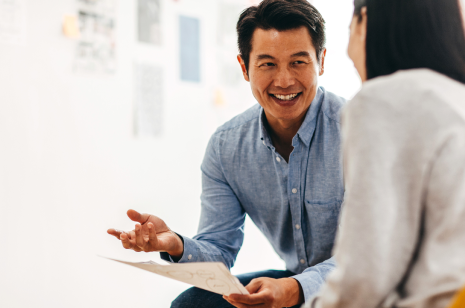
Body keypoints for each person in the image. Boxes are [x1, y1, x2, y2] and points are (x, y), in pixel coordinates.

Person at [227, 0, 465, 307]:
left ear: (365, 21)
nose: (284, 80)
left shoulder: (379, 103)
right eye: (268, 64)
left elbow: (364, 275)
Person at [108, 0, 346, 307]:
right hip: (293, 281)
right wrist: (176, 244)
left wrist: (296, 289)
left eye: (298, 62)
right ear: (245, 67)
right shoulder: (226, 147)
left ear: (321, 62)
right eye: (268, 64)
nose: (284, 80)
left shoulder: (360, 133)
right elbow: (218, 250)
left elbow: (375, 254)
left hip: (365, 286)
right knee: (191, 304)